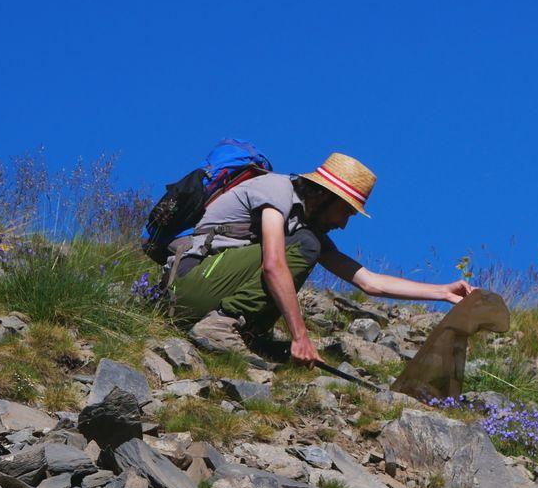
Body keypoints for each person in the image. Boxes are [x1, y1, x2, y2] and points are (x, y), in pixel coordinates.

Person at [170, 152, 474, 366]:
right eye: (346, 212)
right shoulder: (276, 192)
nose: (344, 224)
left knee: (307, 243)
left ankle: (243, 332)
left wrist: (442, 292)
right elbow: (273, 264)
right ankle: (221, 326)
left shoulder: (302, 225)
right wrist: (300, 336)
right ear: (326, 196)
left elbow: (369, 282)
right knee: (305, 245)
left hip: (207, 289)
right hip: (190, 283)